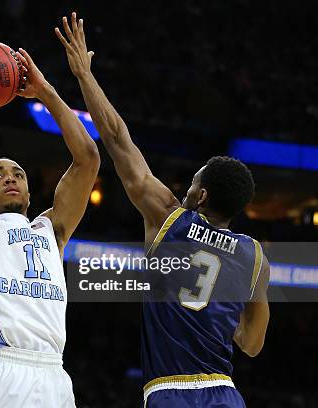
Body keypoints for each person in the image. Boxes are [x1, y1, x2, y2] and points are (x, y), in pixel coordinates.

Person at [56, 12, 270, 407]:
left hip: (170, 390)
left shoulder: (169, 217)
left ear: (202, 197)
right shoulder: (253, 255)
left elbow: (119, 140)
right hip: (225, 392)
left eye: (191, 183)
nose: (185, 190)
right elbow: (251, 344)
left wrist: (84, 75)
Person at [0, 46, 100, 407]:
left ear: (30, 193)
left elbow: (88, 158)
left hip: (56, 374)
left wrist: (46, 91)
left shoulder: (51, 230)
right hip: (4, 369)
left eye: (18, 173)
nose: (9, 178)